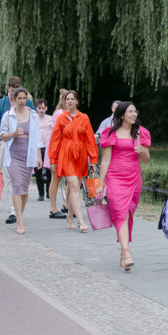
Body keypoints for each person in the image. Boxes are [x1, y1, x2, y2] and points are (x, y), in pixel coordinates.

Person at [98, 101, 151, 270]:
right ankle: (127, 252)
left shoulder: (140, 133)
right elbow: (105, 160)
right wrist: (100, 183)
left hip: (134, 178)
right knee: (120, 212)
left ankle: (123, 251)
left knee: (128, 212)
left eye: (135, 111)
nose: (134, 114)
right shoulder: (110, 133)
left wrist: (142, 151)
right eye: (130, 112)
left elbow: (146, 159)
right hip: (115, 178)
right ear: (121, 115)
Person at [48, 90, 97, 232]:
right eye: (67, 99)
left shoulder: (84, 118)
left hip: (80, 156)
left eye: (72, 99)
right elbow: (55, 139)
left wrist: (93, 159)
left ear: (77, 101)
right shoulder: (61, 118)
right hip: (66, 155)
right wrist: (53, 158)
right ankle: (81, 221)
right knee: (74, 186)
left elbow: (90, 140)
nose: (69, 101)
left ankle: (70, 217)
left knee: (75, 187)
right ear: (64, 102)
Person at [0, 87, 42, 233]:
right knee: (16, 185)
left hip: (28, 155)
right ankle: (19, 219)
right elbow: (2, 135)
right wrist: (12, 133)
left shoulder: (33, 115)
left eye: (24, 98)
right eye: (19, 98)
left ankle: (20, 213)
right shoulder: (8, 115)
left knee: (24, 189)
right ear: (14, 99)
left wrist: (39, 156)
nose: (22, 101)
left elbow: (37, 138)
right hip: (12, 155)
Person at [0, 76, 35, 225]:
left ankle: (18, 211)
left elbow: (34, 124)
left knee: (23, 183)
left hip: (24, 146)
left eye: (16, 87)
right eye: (11, 88)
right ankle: (12, 212)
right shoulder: (0, 104)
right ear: (8, 88)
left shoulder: (28, 103)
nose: (13, 91)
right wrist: (0, 140)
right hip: (7, 143)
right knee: (10, 179)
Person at [45, 89, 68, 219]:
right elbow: (56, 135)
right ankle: (53, 209)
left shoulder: (69, 113)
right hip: (58, 149)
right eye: (68, 99)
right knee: (56, 179)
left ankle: (67, 205)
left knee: (71, 179)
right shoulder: (59, 113)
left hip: (67, 149)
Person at [34, 99, 53, 201]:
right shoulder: (33, 119)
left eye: (43, 108)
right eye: (39, 108)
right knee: (38, 172)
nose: (41, 110)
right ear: (36, 108)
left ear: (46, 108)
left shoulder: (50, 119)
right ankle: (40, 193)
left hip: (48, 147)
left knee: (50, 171)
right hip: (37, 147)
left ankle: (48, 192)